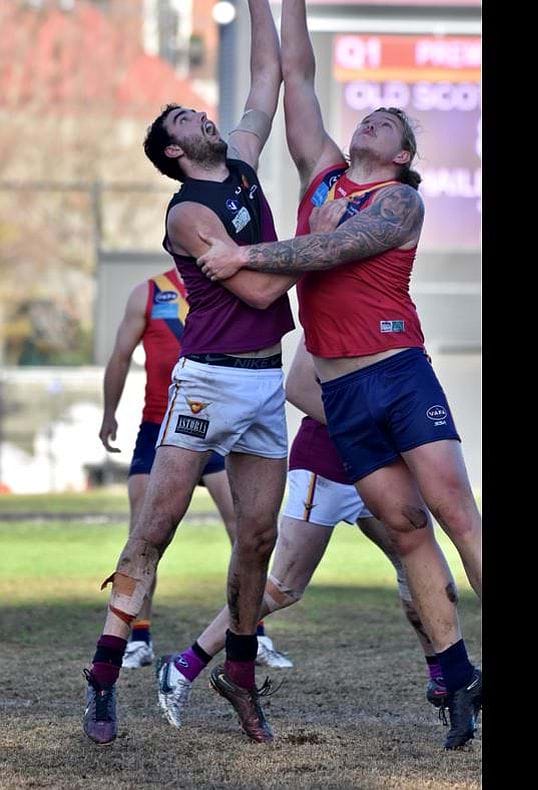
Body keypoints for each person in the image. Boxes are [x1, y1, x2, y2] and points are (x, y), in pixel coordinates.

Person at [194, 0, 483, 749]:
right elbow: (298, 75)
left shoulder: (399, 200)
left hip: (400, 374)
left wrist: (246, 254)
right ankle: (458, 677)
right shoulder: (323, 176)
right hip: (342, 392)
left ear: (403, 154)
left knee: (457, 516)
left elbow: (334, 249)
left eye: (389, 122)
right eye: (370, 115)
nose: (373, 119)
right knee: (407, 529)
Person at [81, 0, 298, 745]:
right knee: (154, 531)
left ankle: (238, 675)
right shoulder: (187, 214)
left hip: (264, 382)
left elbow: (267, 75)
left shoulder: (239, 163)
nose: (202, 115)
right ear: (175, 150)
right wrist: (324, 247)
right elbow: (260, 290)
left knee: (258, 539)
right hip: (208, 384)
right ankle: (103, 676)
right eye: (185, 118)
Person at [156, 339, 479, 734]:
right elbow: (297, 388)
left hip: (381, 469)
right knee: (283, 587)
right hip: (325, 470)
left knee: (415, 563)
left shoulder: (398, 321)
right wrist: (364, 429)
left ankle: (443, 676)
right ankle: (184, 665)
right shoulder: (332, 318)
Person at [99, 267, 292, 671]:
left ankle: (253, 634)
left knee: (247, 531)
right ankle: (138, 638)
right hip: (161, 428)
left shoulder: (231, 285)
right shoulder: (149, 292)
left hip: (221, 425)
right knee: (143, 532)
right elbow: (120, 356)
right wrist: (109, 413)